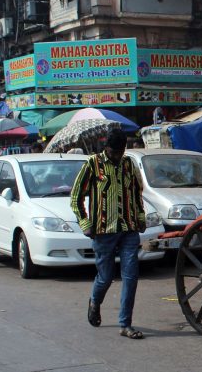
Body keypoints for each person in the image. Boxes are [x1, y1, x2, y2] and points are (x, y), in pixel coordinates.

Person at [70, 129, 147, 340]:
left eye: (121, 151)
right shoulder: (92, 164)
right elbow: (75, 197)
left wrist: (140, 217)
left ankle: (125, 324)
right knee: (105, 277)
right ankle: (95, 302)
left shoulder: (129, 164)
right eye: (114, 152)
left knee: (131, 277)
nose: (117, 155)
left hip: (128, 229)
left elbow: (137, 193)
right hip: (103, 231)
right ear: (107, 149)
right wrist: (85, 223)